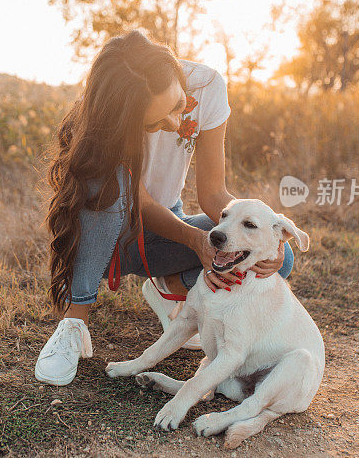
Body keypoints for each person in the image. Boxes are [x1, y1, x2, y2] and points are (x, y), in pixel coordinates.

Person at [35, 29, 293, 386]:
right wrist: (193, 240)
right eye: (155, 123)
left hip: (164, 232)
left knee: (277, 256)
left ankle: (173, 288)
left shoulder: (209, 88)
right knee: (106, 186)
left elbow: (214, 195)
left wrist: (254, 237)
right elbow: (139, 202)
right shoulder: (109, 109)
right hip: (110, 241)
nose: (173, 124)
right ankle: (73, 324)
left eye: (176, 107)